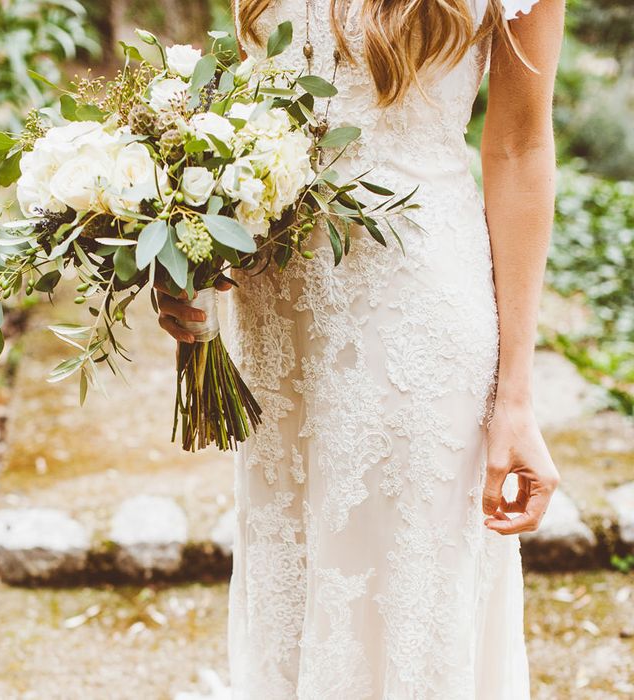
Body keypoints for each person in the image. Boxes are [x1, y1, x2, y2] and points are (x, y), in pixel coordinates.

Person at [157, 0, 564, 696]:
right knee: (293, 589)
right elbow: (253, 96)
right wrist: (189, 242)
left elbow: (520, 147)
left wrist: (517, 399)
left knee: (408, 598)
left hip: (417, 322)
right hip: (277, 325)